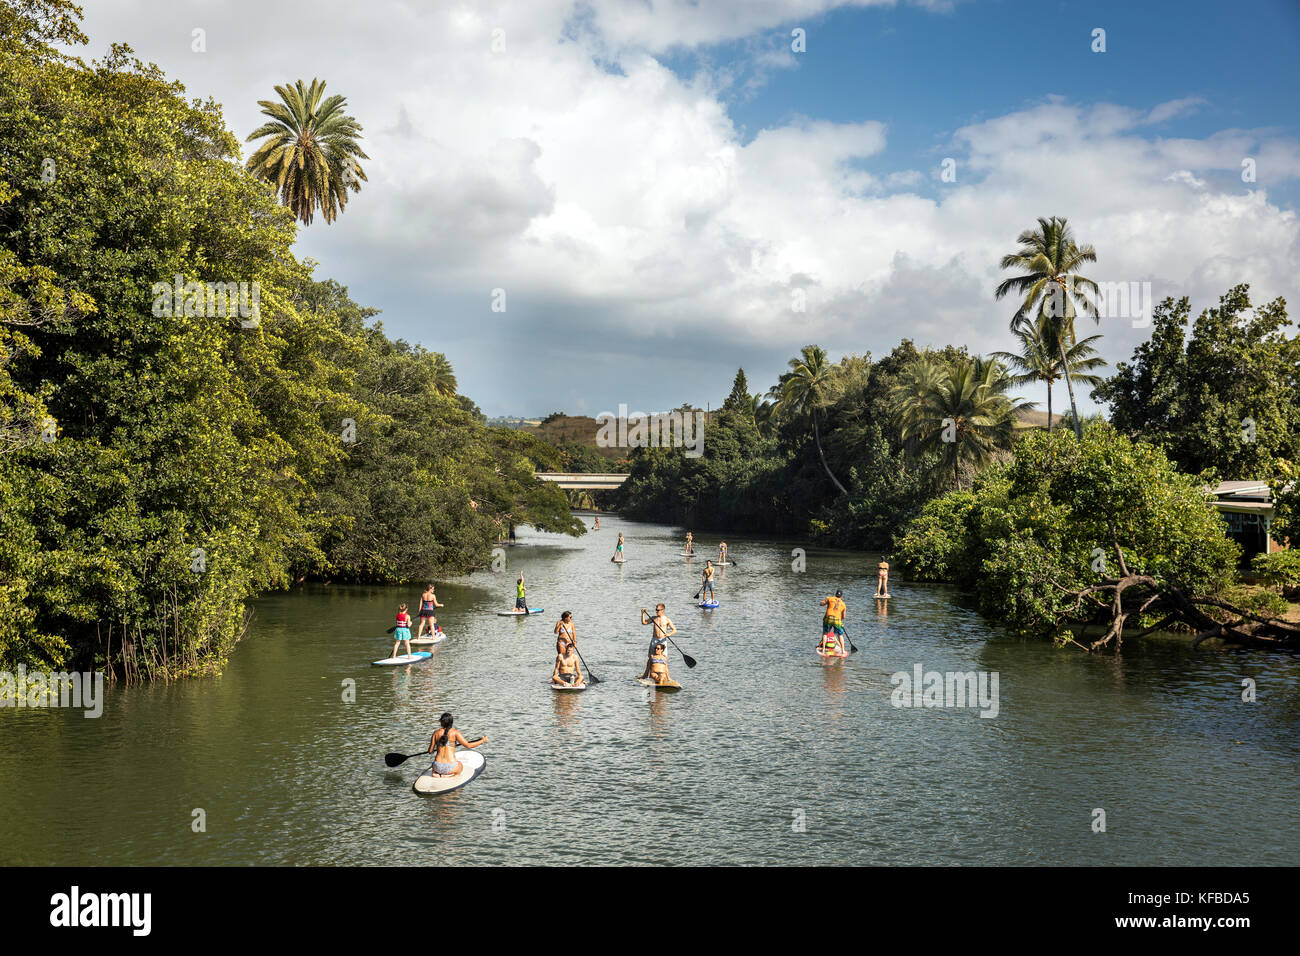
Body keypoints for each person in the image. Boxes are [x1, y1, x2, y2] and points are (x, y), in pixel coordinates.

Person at [427, 712, 487, 777]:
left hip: (437, 766)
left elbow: (430, 751)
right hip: (451, 767)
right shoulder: (455, 733)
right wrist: (482, 741)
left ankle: (436, 773)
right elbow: (468, 745)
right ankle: (450, 776)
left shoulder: (436, 733)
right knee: (460, 765)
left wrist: (437, 747)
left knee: (433, 764)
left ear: (442, 722)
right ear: (451, 723)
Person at [640, 604, 676, 677]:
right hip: (655, 639)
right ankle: (646, 674)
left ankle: (665, 676)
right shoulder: (654, 618)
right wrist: (643, 614)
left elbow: (674, 630)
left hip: (663, 640)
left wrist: (669, 634)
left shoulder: (667, 619)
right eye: (656, 610)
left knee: (664, 658)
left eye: (658, 610)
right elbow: (644, 622)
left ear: (662, 610)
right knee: (651, 657)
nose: (656, 611)